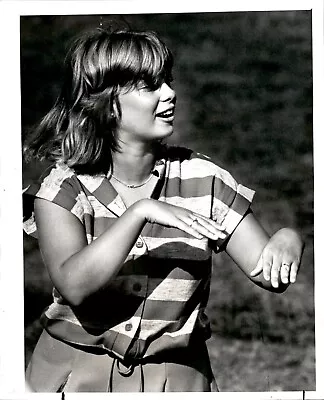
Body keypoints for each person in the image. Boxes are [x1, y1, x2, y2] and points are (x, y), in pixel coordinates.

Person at [22, 27, 304, 392]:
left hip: (178, 380)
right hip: (71, 375)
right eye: (149, 85)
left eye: (167, 80)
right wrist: (140, 212)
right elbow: (75, 286)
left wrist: (288, 238)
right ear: (105, 101)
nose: (170, 93)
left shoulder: (205, 180)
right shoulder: (62, 188)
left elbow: (268, 274)